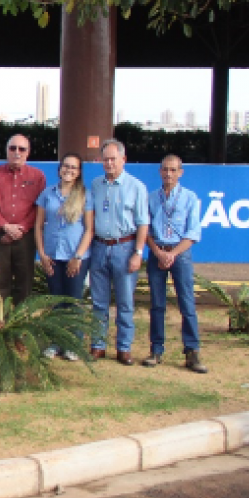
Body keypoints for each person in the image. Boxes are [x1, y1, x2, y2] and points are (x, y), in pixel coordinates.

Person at [86, 139, 149, 365]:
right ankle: (98, 345)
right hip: (100, 246)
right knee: (99, 301)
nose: (109, 163)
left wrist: (138, 252)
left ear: (123, 159)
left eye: (113, 159)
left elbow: (143, 223)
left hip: (125, 247)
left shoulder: (136, 187)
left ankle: (124, 347)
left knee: (125, 302)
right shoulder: (96, 184)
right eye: (105, 159)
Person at [145, 154, 207, 373]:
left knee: (187, 304)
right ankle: (156, 349)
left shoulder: (190, 198)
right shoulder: (151, 198)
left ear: (180, 173)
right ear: (160, 172)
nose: (168, 174)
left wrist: (173, 254)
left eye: (173, 170)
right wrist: (159, 253)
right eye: (165, 170)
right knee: (157, 304)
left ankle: (192, 351)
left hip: (180, 254)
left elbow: (193, 232)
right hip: (157, 253)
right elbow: (146, 230)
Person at [34, 152, 93, 361]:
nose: (68, 170)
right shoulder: (47, 194)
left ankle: (73, 344)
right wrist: (41, 253)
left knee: (74, 302)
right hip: (52, 256)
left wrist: (77, 256)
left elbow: (88, 230)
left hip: (76, 257)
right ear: (59, 169)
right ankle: (54, 343)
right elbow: (39, 226)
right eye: (65, 166)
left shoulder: (85, 195)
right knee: (56, 301)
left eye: (73, 168)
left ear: (78, 173)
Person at [0, 134, 46, 305]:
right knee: (0, 281)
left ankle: (21, 321)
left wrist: (21, 228)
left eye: (21, 149)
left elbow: (39, 207)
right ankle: (1, 322)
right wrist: (5, 226)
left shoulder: (37, 176)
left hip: (26, 237)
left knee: (25, 281)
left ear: (28, 152)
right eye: (12, 148)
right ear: (7, 151)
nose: (17, 152)